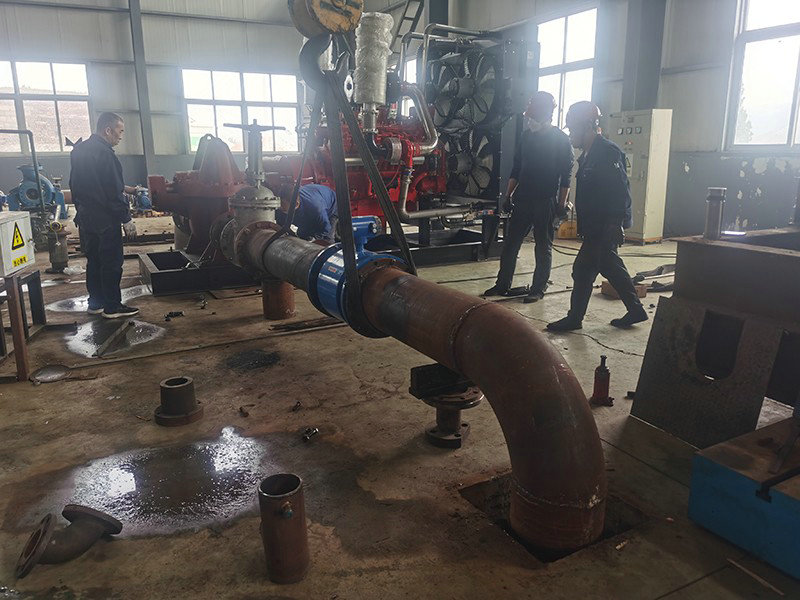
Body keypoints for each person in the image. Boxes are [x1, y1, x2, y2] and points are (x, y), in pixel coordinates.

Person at [547, 101, 647, 332]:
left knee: (585, 269)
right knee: (606, 266)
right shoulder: (589, 154)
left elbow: (619, 190)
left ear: (586, 126)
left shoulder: (607, 152)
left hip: (604, 225)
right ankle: (635, 309)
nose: (571, 135)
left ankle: (575, 318)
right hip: (595, 225)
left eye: (573, 129)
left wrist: (615, 223)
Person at [483, 91, 573, 303]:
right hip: (523, 198)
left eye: (533, 116)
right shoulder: (526, 137)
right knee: (510, 244)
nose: (529, 120)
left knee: (542, 247)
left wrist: (561, 205)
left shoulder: (560, 139)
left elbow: (566, 176)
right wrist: (508, 195)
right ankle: (502, 284)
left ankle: (538, 289)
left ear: (545, 114)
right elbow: (517, 168)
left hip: (545, 200)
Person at [70, 112, 139, 319]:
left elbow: (74, 185)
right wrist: (126, 218)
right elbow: (113, 191)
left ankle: (96, 303)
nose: (121, 136)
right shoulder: (106, 154)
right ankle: (112, 307)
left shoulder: (79, 150)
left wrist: (81, 210)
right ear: (108, 130)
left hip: (86, 217)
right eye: (120, 131)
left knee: (94, 261)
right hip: (106, 219)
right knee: (111, 263)